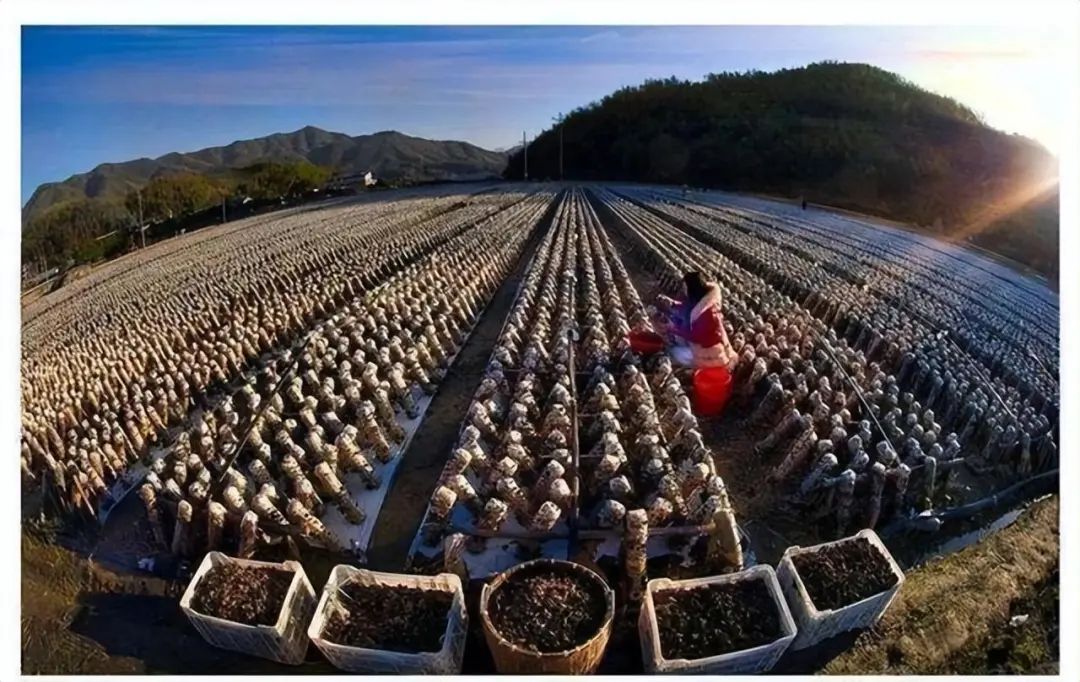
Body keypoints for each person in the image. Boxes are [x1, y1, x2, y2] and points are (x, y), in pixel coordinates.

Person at [656, 271, 736, 369]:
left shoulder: (707, 313)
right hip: (702, 343)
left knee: (675, 352)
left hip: (711, 353)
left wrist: (673, 329)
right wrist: (673, 303)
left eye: (685, 286)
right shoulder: (702, 301)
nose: (684, 289)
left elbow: (695, 336)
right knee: (676, 342)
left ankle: (703, 368)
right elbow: (689, 308)